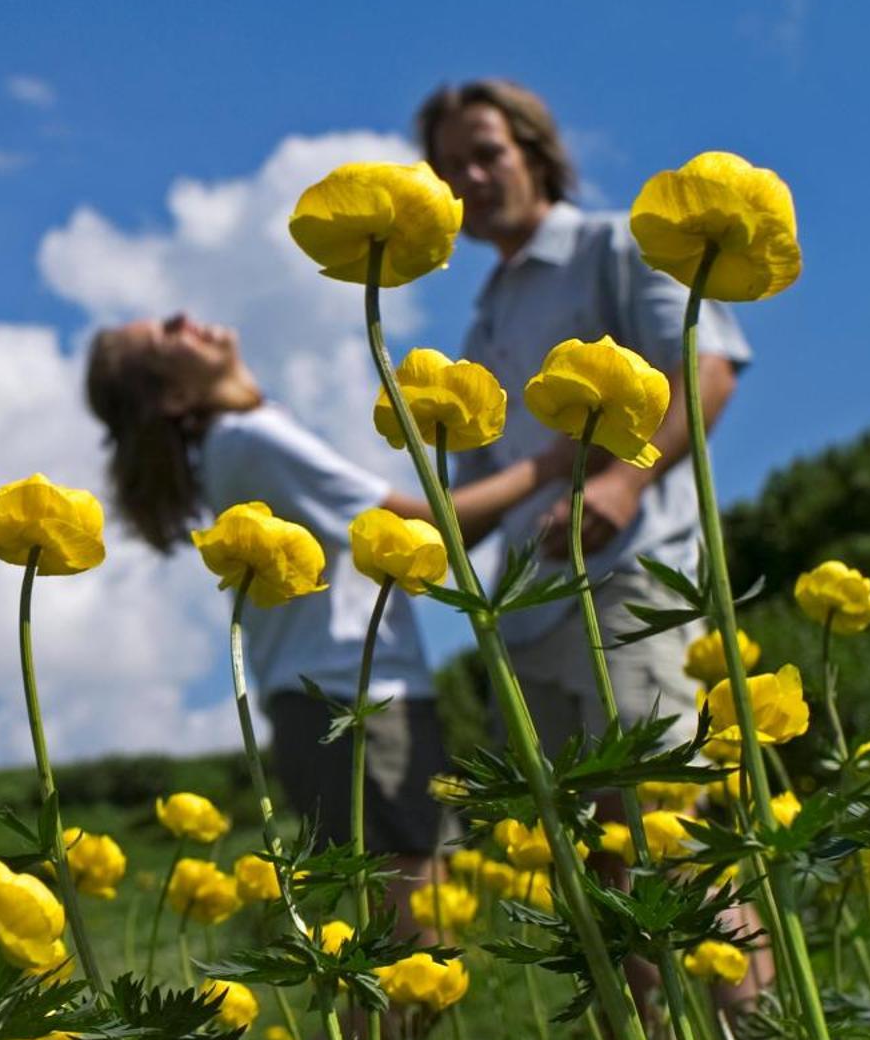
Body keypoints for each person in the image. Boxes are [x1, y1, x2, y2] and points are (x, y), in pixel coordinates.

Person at [418, 78, 772, 1004]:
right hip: (531, 612)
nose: (472, 176)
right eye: (451, 167)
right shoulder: (485, 314)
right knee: (599, 876)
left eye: (487, 152)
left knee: (669, 838)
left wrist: (623, 475)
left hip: (630, 579)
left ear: (536, 152)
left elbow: (706, 367)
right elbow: (497, 482)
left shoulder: (618, 242)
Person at [85, 313, 571, 918]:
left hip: (325, 695)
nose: (185, 320)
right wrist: (552, 464)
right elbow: (422, 528)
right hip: (353, 694)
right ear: (175, 394)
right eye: (166, 334)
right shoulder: (250, 438)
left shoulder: (239, 440)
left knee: (399, 927)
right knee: (413, 930)